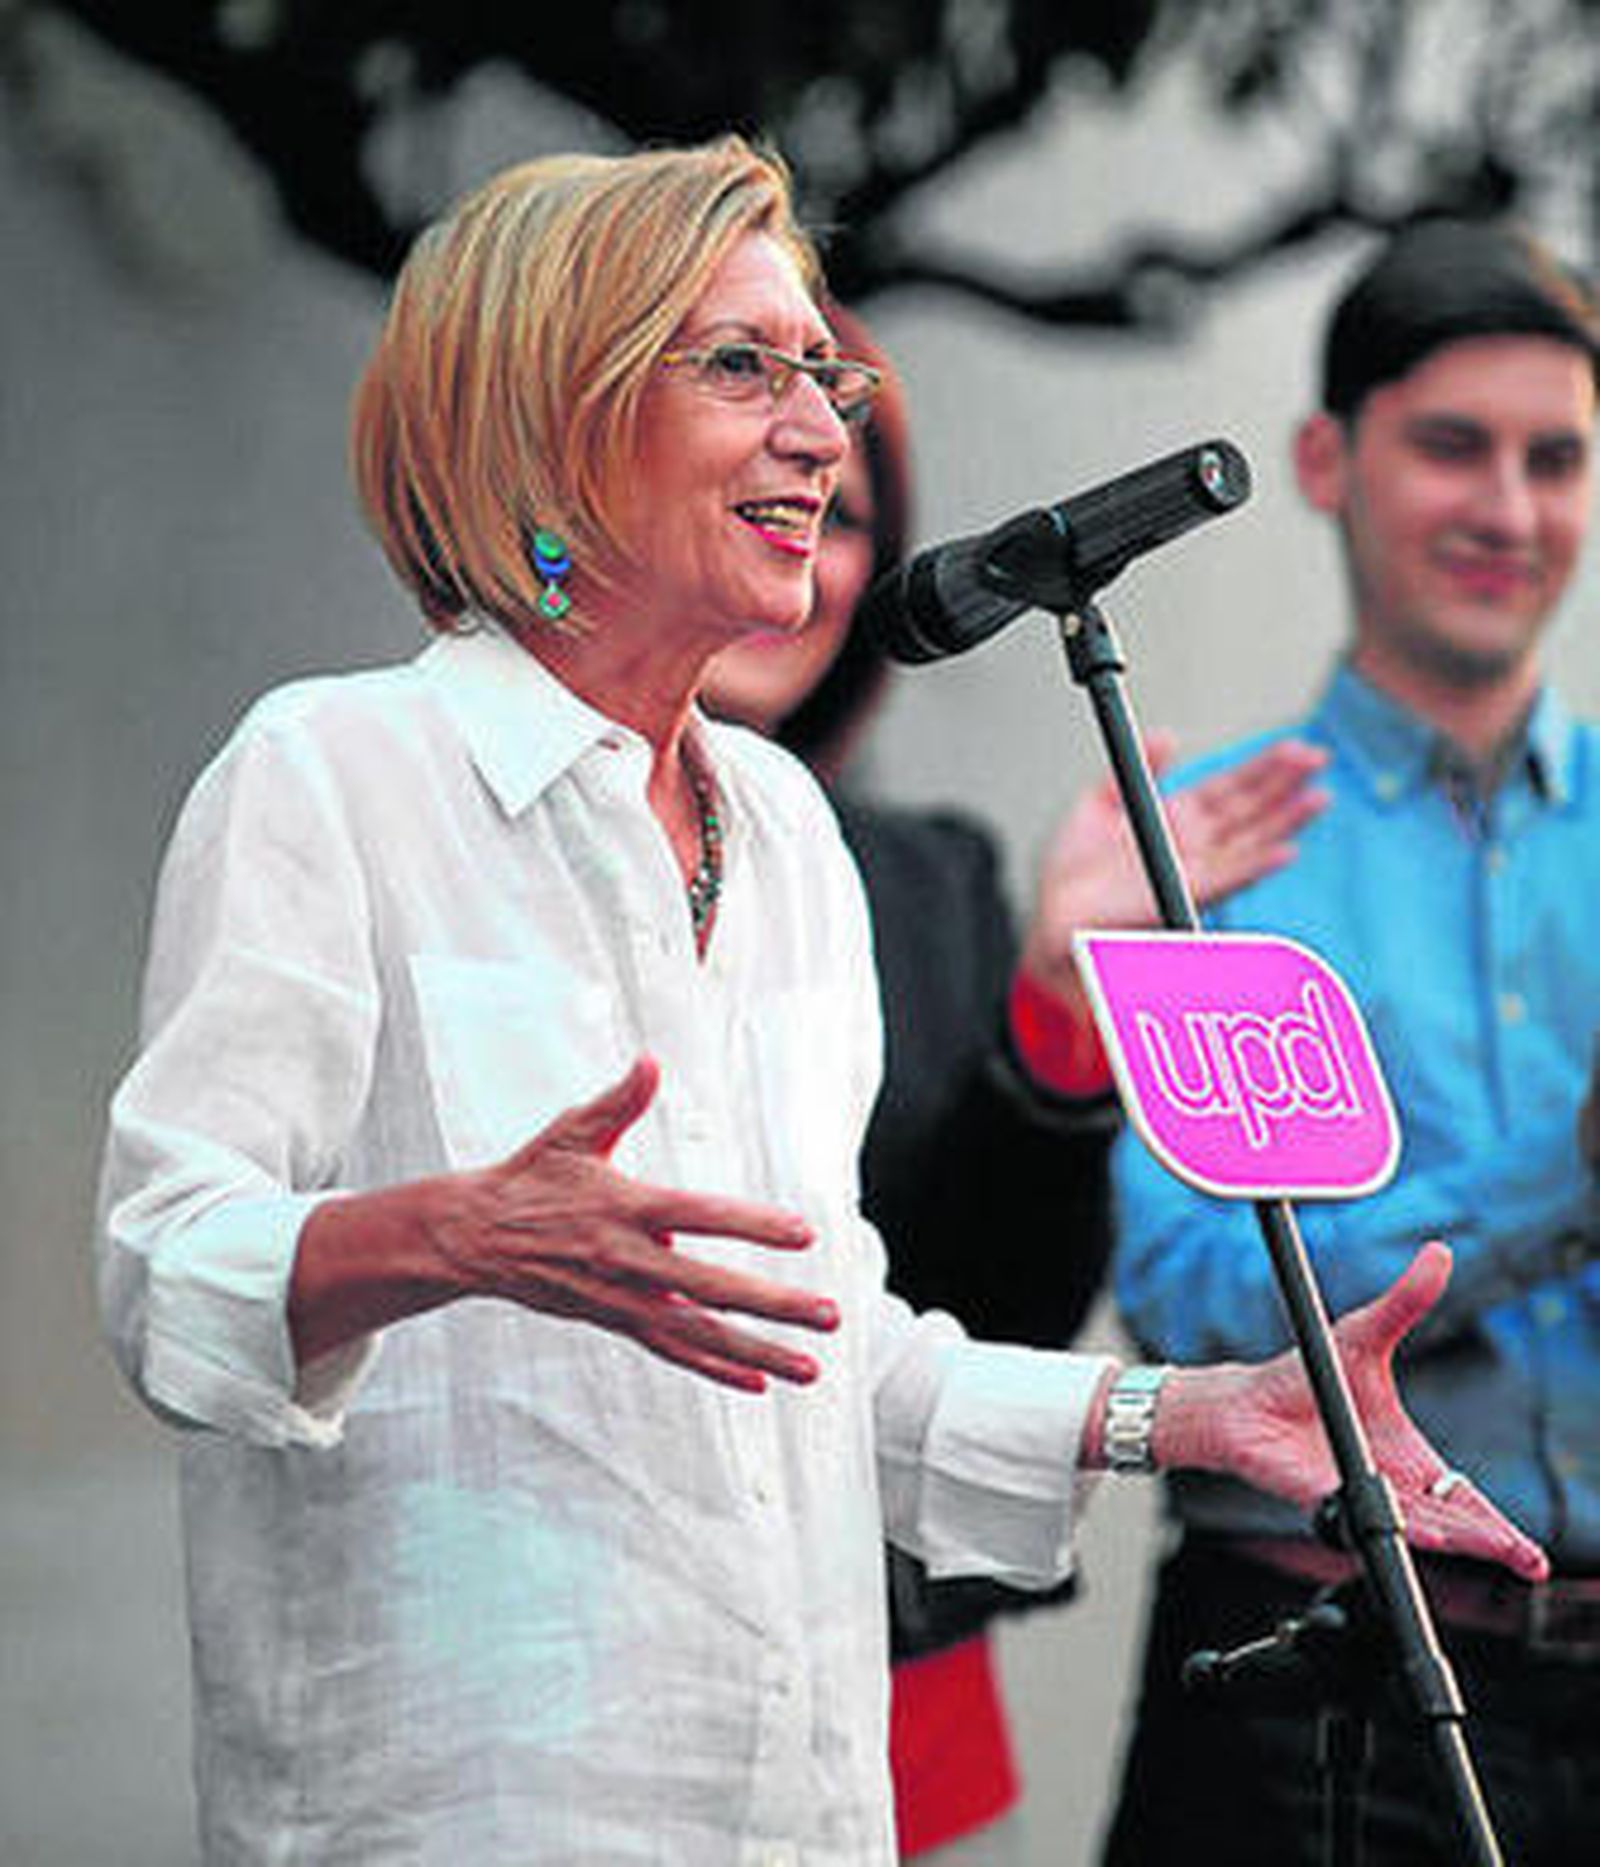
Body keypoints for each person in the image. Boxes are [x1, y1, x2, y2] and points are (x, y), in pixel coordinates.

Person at [94, 141, 1545, 1866]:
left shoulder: (785, 834)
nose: (819, 428)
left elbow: (837, 1352)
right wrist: (448, 1236)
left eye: (826, 375)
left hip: (799, 1812)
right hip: (463, 1809)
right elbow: (165, 1269)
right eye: (742, 368)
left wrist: (1193, 1414)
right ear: (549, 409)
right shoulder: (334, 777)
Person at [701, 304, 1331, 1862]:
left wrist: (1056, 1007)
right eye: (777, 490)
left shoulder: (926, 881)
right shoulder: (469, 828)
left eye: (853, 517)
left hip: (890, 1684)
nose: (811, 544)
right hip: (592, 1681)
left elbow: (990, 1314)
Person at [1102, 216, 1600, 1867]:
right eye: (1454, 447)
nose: (1510, 511)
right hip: (1317, 1695)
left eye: (1558, 459)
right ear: (1326, 459)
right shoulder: (1209, 848)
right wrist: (1569, 1175)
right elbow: (1189, 1291)